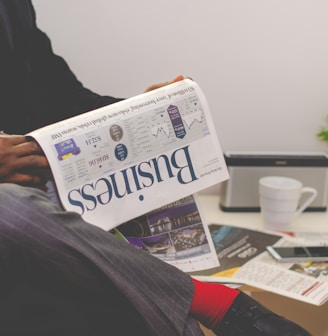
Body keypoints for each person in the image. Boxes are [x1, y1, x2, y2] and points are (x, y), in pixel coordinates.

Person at [0, 1, 311, 335]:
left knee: (128, 297)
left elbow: (63, 98)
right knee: (9, 207)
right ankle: (223, 305)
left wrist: (140, 111)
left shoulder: (15, 6)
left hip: (49, 203)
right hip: (20, 209)